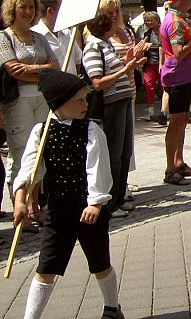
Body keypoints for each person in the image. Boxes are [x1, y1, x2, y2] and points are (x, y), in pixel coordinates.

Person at [13, 69, 124, 319]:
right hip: (58, 209)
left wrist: (95, 202)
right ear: (59, 104)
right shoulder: (41, 133)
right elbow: (29, 169)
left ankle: (112, 307)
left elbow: (98, 169)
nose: (86, 104)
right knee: (47, 265)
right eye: (79, 100)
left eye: (86, 99)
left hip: (87, 209)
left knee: (100, 262)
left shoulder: (91, 131)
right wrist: (20, 199)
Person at [0, 0, 60, 232]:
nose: (27, 11)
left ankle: (35, 206)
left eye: (31, 7)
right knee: (21, 155)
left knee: (39, 153)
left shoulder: (39, 37)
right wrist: (42, 69)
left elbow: (56, 65)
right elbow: (13, 71)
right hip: (17, 103)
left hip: (41, 99)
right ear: (12, 10)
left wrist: (31, 69)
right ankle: (20, 207)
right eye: (23, 7)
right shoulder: (5, 38)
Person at [83, 13, 145, 218]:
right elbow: (98, 82)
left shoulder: (106, 44)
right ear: (103, 26)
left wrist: (129, 62)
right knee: (114, 154)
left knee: (125, 151)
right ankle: (109, 202)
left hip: (124, 99)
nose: (115, 25)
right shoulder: (93, 46)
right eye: (111, 23)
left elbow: (117, 69)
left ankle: (119, 197)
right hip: (112, 105)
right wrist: (124, 69)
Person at [160, 0, 191, 185]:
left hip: (182, 77)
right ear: (179, 1)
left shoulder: (178, 18)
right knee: (176, 121)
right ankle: (171, 168)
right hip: (177, 77)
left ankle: (178, 162)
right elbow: (178, 52)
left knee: (182, 119)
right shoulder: (175, 22)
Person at [31, 0, 82, 74]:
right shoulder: (34, 35)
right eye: (62, 10)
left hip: (73, 84)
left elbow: (77, 61)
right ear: (50, 11)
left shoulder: (67, 32)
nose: (65, 13)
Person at [140, 11, 163, 121]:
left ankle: (164, 111)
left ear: (157, 20)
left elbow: (164, 45)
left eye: (151, 20)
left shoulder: (163, 30)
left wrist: (151, 45)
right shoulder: (146, 33)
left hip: (162, 63)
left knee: (164, 87)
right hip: (149, 63)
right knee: (149, 87)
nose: (149, 22)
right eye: (146, 21)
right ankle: (151, 112)